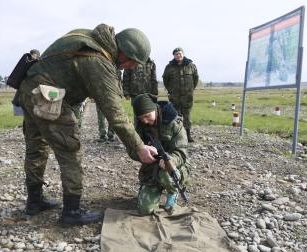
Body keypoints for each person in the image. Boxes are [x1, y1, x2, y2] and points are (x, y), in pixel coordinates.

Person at [16, 24, 158, 225]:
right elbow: (115, 114)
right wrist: (139, 147)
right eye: (132, 63)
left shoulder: (86, 36)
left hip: (28, 89)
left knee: (36, 148)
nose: (131, 67)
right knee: (70, 148)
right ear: (124, 52)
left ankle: (34, 201)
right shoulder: (97, 59)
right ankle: (72, 212)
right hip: (49, 95)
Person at [128, 94, 190, 215]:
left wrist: (170, 159)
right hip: (152, 169)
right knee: (145, 210)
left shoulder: (174, 122)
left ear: (155, 109)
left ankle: (173, 191)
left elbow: (181, 152)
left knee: (166, 173)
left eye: (147, 116)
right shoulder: (139, 127)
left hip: (174, 168)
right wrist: (141, 152)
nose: (145, 121)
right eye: (141, 118)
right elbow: (131, 150)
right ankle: (154, 187)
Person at [162, 47, 199, 142]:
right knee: (175, 116)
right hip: (174, 97)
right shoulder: (169, 67)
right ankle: (176, 135)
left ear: (183, 54)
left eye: (180, 53)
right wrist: (171, 90)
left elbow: (195, 79)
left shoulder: (191, 66)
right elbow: (165, 80)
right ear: (174, 56)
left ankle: (188, 135)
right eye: (176, 54)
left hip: (187, 96)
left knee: (187, 116)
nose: (178, 55)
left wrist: (190, 89)